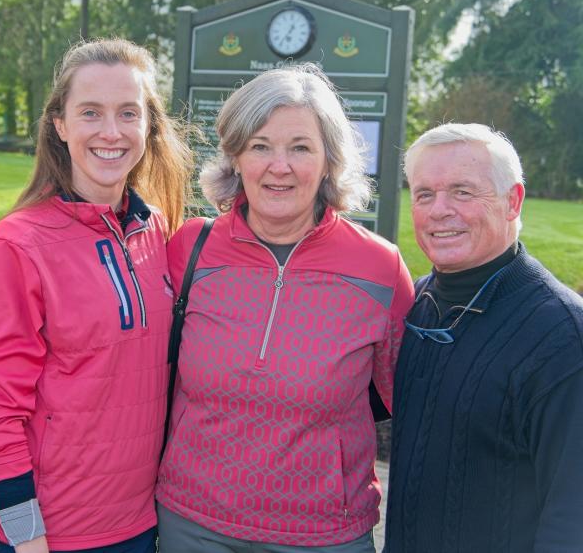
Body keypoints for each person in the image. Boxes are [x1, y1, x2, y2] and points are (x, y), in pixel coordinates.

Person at [155, 64, 415, 552]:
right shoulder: (189, 249)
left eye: (300, 147)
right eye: (260, 146)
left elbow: (409, 400)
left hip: (324, 533)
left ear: (329, 160)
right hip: (191, 523)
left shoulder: (379, 268)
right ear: (235, 157)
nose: (280, 166)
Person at [0, 38, 192, 553]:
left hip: (138, 525)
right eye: (90, 112)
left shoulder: (156, 229)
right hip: (47, 536)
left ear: (148, 126)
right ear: (60, 125)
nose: (111, 132)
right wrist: (26, 535)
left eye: (128, 113)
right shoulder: (17, 245)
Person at [384, 123, 583, 552]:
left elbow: (573, 518)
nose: (439, 210)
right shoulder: (415, 306)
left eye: (462, 191)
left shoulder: (563, 336)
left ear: (513, 201)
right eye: (424, 194)